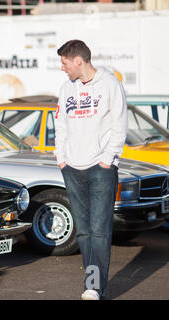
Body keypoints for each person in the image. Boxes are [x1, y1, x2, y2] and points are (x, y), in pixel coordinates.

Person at [54, 40, 128, 300]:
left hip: (101, 169)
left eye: (64, 62)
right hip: (72, 168)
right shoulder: (66, 89)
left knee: (99, 231)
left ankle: (95, 287)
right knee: (83, 232)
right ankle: (91, 283)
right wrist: (61, 158)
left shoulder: (110, 84)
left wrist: (107, 159)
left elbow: (120, 126)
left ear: (78, 61)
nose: (61, 68)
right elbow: (61, 125)